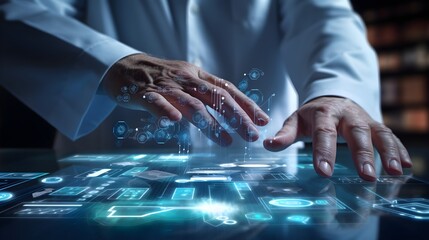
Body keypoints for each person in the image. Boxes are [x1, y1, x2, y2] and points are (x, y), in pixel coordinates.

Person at [0, 0, 412, 181]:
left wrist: (337, 90)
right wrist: (113, 65)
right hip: (106, 181)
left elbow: (326, 18)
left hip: (262, 179)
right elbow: (18, 13)